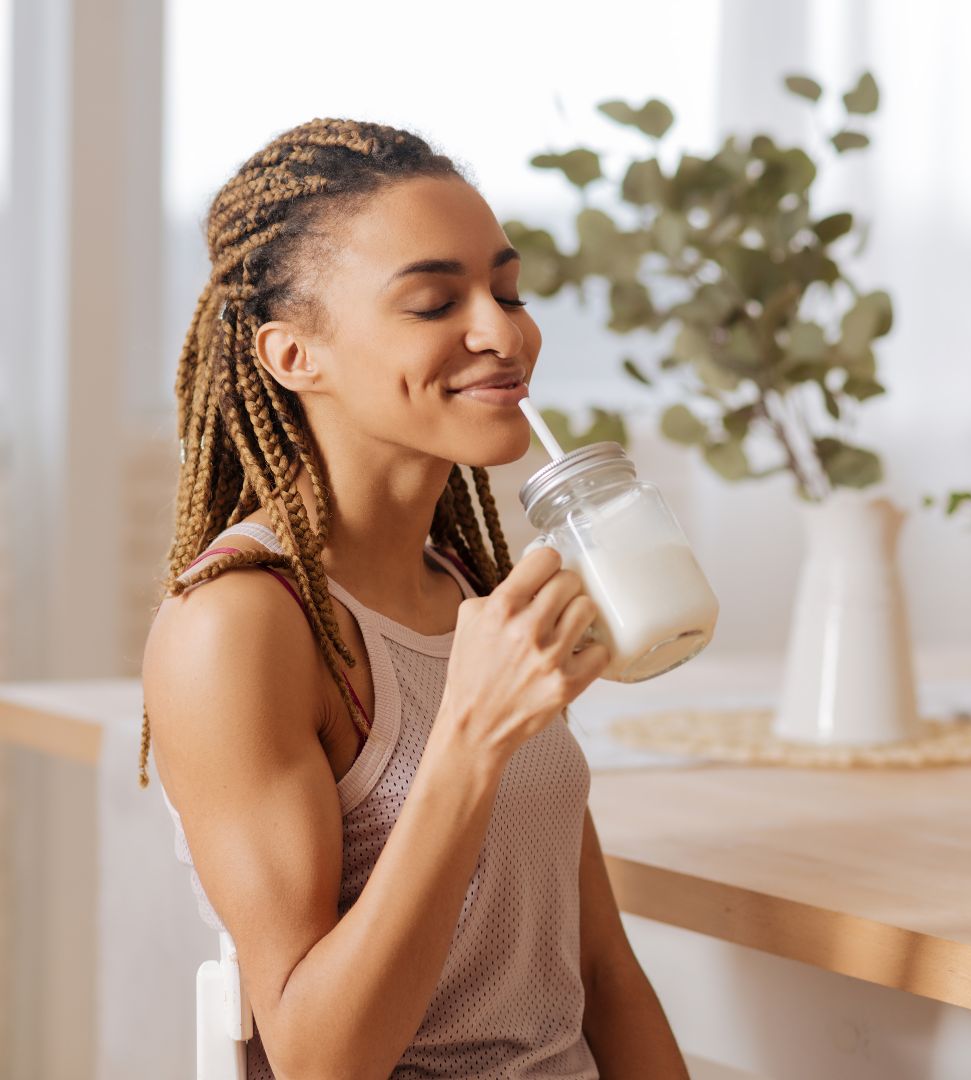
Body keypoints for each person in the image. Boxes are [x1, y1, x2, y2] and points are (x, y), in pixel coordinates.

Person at [142, 118, 689, 1080]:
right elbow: (318, 1060)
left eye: (508, 291)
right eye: (437, 302)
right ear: (291, 355)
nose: (504, 332)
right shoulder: (238, 625)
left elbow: (600, 972)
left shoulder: (468, 586)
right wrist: (470, 738)